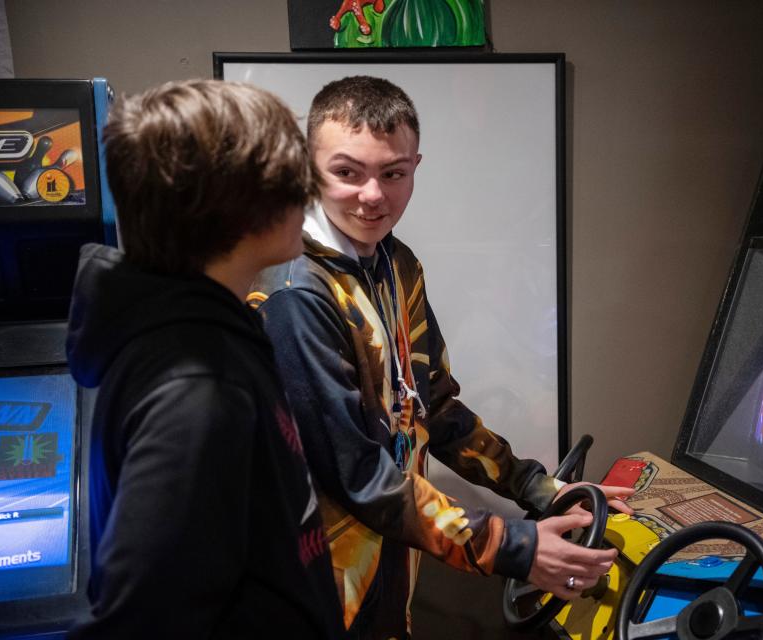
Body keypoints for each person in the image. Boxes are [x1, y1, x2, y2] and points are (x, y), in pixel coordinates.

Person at [250, 75, 634, 639]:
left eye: (394, 173)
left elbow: (434, 408)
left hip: (388, 576)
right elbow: (358, 477)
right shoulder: (293, 294)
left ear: (415, 167)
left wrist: (540, 491)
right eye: (347, 172)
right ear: (308, 167)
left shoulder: (396, 264)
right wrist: (515, 547)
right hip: (315, 595)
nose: (373, 195)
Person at [65, 79, 345, 638]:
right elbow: (135, 621)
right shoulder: (197, 388)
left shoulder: (208, 337)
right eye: (291, 185)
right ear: (241, 209)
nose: (307, 201)